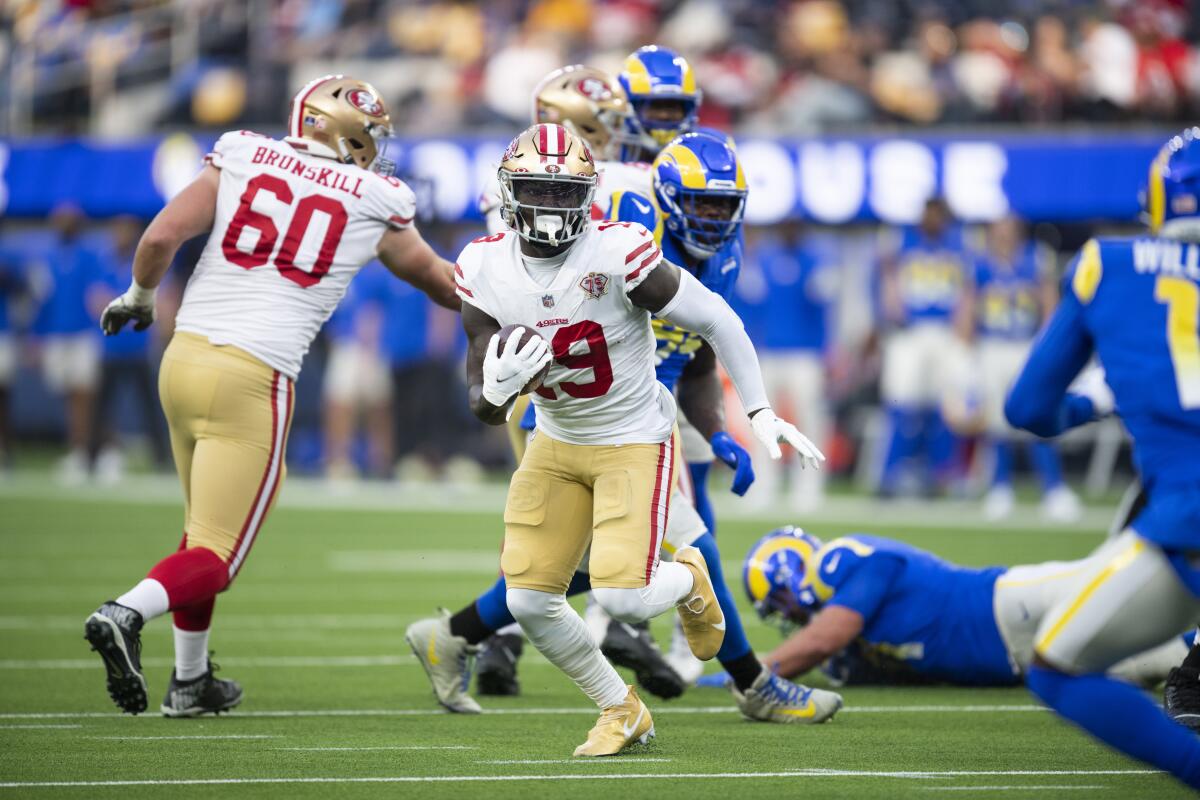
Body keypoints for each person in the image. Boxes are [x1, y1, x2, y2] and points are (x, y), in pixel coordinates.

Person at [411, 132, 836, 724]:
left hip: (638, 423)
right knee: (576, 576)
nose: (710, 218)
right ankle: (751, 683)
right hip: (564, 426)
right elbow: (481, 400)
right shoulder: (500, 262)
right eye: (697, 203)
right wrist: (502, 387)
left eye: (720, 206)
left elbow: (707, 343)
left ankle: (454, 635)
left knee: (613, 567)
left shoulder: (651, 253)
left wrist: (731, 423)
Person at [83, 74, 459, 718]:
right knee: (216, 557)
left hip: (182, 361)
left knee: (200, 533)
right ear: (344, 130)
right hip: (254, 375)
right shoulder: (375, 195)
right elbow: (442, 283)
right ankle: (126, 611)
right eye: (372, 134)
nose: (378, 146)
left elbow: (158, 240)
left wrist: (139, 297)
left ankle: (191, 681)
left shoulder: (241, 152)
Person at [1003, 128, 1200, 790]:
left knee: (1057, 666)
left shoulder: (1107, 265)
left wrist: (1093, 404)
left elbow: (1027, 408)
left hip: (1189, 514)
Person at [726, 526, 1186, 689]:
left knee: (1144, 586)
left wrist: (759, 675)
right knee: (1169, 660)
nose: (785, 617)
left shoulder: (840, 560)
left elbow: (825, 637)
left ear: (791, 575)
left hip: (1010, 605)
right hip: (1025, 661)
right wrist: (718, 676)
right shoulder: (848, 654)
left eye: (779, 602)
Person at [968, 215, 1079, 521]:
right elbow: (968, 305)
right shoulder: (979, 264)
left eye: (1008, 229)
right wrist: (966, 350)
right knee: (995, 421)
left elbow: (1048, 301)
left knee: (1036, 415)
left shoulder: (1035, 258)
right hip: (992, 345)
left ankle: (1053, 488)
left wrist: (1047, 344)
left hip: (1023, 344)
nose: (1003, 235)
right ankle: (1000, 486)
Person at [733, 221, 836, 513]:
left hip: (805, 354)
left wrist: (827, 350)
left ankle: (810, 487)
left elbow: (823, 307)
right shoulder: (762, 260)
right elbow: (747, 306)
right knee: (761, 419)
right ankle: (763, 484)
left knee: (809, 419)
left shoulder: (815, 261)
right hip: (768, 351)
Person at [876, 197, 973, 496]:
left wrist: (963, 326)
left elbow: (969, 289)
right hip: (912, 330)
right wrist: (892, 312)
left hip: (944, 331)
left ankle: (940, 475)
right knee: (902, 404)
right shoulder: (902, 241)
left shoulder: (959, 245)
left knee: (945, 407)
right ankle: (889, 475)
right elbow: (888, 279)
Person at [88, 216, 171, 481]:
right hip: (111, 347)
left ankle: (162, 458)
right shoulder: (104, 262)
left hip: (138, 347)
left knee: (149, 407)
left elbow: (157, 302)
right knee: (102, 407)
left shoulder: (143, 265)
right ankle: (90, 457)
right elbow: (96, 301)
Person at [34, 205, 105, 483]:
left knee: (84, 395)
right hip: (56, 335)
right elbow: (43, 300)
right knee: (69, 396)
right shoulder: (48, 258)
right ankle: (79, 449)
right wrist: (37, 335)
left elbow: (96, 296)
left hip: (83, 335)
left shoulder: (89, 256)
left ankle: (86, 452)